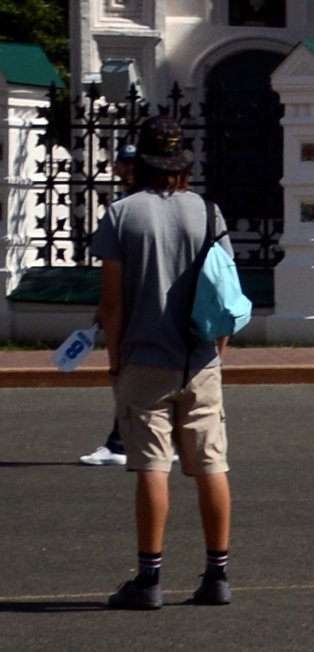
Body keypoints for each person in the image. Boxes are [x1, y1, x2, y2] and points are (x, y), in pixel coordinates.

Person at [88, 122, 234, 610]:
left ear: (141, 161)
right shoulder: (209, 212)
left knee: (151, 464)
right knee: (211, 464)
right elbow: (224, 291)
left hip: (145, 357)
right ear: (181, 163)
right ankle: (217, 575)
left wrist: (114, 365)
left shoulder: (121, 214)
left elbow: (112, 304)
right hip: (200, 357)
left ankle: (148, 580)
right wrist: (218, 352)